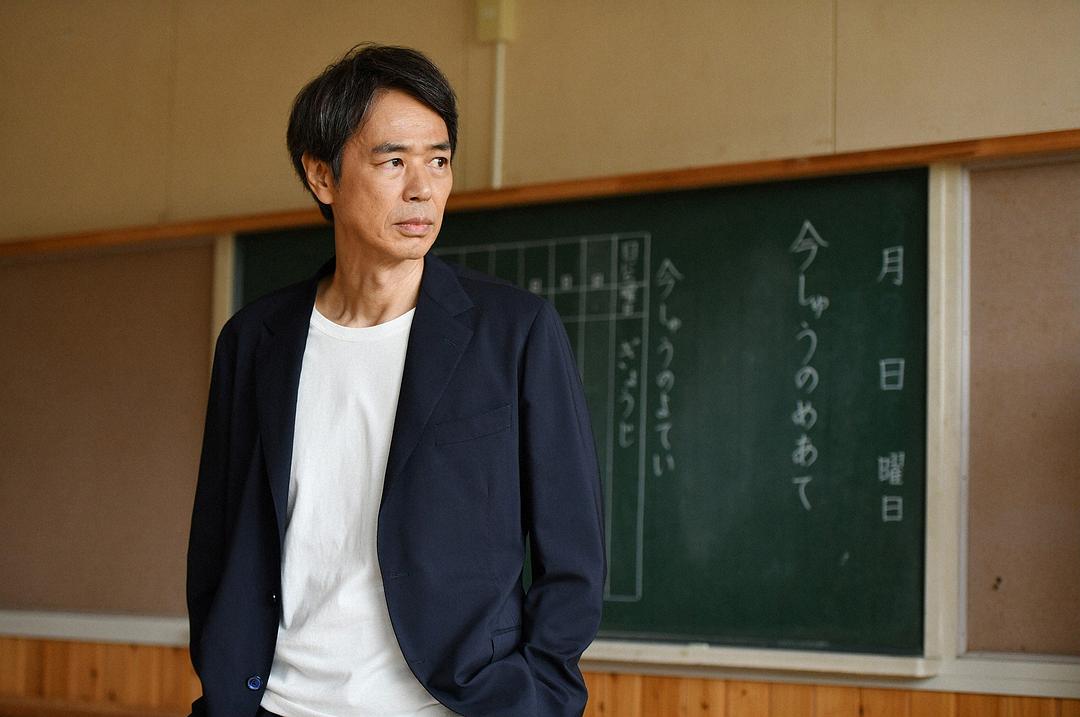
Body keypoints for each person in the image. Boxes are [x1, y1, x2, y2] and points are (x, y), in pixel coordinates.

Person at [186, 44, 605, 717]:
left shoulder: (514, 332)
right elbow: (217, 542)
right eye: (393, 161)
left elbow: (574, 553)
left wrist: (539, 696)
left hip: (451, 705)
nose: (423, 188)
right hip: (279, 705)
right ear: (321, 175)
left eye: (438, 160)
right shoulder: (253, 342)